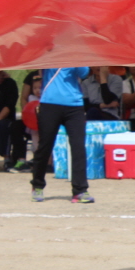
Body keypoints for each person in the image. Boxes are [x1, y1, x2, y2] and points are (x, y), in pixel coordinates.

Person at [31, 67, 102, 204]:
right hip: (49, 103)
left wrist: (75, 58)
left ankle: (80, 190)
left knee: (78, 147)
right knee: (45, 146)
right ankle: (37, 185)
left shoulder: (76, 53)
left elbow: (84, 73)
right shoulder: (48, 48)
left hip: (74, 104)